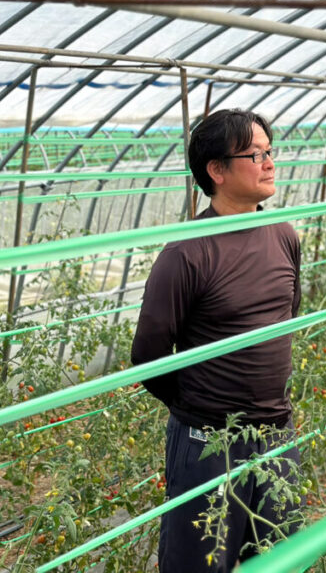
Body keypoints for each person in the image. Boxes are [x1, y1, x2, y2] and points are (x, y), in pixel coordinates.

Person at [131, 108, 302, 572]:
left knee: (282, 559)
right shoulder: (187, 252)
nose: (269, 163)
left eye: (270, 151)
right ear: (217, 170)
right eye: (255, 154)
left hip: (277, 437)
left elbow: (286, 318)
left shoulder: (284, 235)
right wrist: (199, 408)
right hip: (208, 445)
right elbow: (146, 356)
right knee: (201, 566)